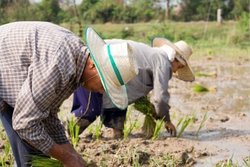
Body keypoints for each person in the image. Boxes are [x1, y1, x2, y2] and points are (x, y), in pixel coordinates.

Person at [0, 22, 138, 167]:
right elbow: (25, 122)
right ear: (93, 66)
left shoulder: (75, 63)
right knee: (31, 155)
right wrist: (66, 158)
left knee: (33, 155)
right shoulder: (59, 65)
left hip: (10, 78)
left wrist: (73, 154)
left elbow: (48, 114)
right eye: (105, 84)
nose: (102, 91)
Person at [72, 38, 195, 138]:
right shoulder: (164, 63)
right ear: (175, 59)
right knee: (89, 110)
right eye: (179, 67)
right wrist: (166, 119)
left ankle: (117, 134)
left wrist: (152, 111)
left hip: (105, 64)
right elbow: (160, 98)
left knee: (121, 97)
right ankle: (66, 136)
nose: (175, 71)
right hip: (96, 65)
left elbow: (133, 90)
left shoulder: (152, 55)